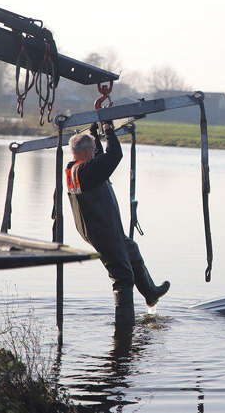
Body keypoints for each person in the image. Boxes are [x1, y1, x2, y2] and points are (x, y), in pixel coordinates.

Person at [65, 121, 169, 325]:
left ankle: (150, 293)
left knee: (131, 250)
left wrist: (95, 136)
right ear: (86, 150)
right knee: (123, 277)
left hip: (100, 229)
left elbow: (100, 162)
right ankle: (124, 327)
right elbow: (114, 155)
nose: (95, 153)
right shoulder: (86, 170)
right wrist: (108, 129)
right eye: (92, 149)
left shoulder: (76, 170)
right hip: (102, 231)